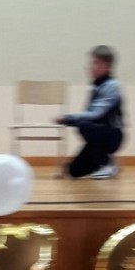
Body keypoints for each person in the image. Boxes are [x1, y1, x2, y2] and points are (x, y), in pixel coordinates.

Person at [56, 45, 124, 179]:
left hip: (112, 135)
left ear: (106, 66)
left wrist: (69, 119)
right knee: (73, 171)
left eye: (95, 63)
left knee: (83, 126)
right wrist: (71, 120)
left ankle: (105, 165)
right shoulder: (95, 86)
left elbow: (95, 114)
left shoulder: (112, 86)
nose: (91, 67)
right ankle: (107, 162)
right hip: (98, 135)